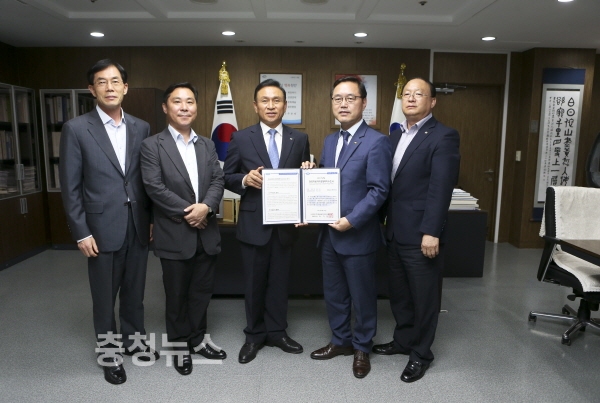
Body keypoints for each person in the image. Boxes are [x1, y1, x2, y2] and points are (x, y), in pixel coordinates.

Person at [59, 59, 157, 385]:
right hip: (100, 228)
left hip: (137, 224)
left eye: (115, 81)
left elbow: (143, 180)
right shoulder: (76, 129)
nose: (110, 87)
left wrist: (150, 219)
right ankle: (109, 355)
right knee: (104, 298)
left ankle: (133, 341)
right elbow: (70, 186)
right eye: (102, 82)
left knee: (134, 292)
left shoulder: (141, 127)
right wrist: (81, 231)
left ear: (125, 88)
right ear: (92, 89)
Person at [373, 78, 460, 383]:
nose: (410, 98)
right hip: (395, 231)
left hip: (423, 234)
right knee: (400, 294)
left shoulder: (444, 136)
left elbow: (441, 188)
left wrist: (432, 231)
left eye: (418, 94)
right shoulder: (396, 135)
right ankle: (403, 341)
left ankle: (421, 354)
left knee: (424, 298)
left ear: (432, 101)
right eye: (406, 94)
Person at [140, 82, 226, 376]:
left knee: (201, 292)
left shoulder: (207, 145)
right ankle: (179, 347)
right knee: (176, 296)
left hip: (206, 232)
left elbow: (217, 180)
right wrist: (192, 212)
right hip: (175, 232)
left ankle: (198, 340)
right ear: (166, 107)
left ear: (196, 107)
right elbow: (154, 187)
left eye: (190, 101)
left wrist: (207, 207)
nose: (184, 107)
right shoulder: (152, 145)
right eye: (177, 102)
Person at [223, 79, 312, 364]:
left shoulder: (299, 139)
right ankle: (253, 335)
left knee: (279, 282)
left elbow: (304, 178)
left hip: (286, 225)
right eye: (265, 100)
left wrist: (310, 171)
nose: (271, 105)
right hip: (254, 225)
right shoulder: (240, 138)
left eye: (276, 100)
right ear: (255, 106)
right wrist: (245, 180)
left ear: (285, 105)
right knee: (253, 283)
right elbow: (227, 177)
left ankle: (277, 332)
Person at [310, 76, 391, 379]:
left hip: (357, 234)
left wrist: (352, 220)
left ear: (363, 103)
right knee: (334, 294)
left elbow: (379, 191)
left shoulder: (377, 141)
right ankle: (341, 340)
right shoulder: (330, 141)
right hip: (329, 235)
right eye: (337, 99)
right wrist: (311, 173)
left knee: (362, 295)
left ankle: (362, 347)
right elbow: (327, 182)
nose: (343, 104)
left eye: (350, 98)